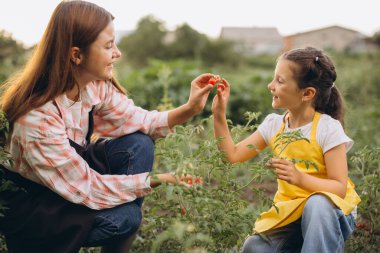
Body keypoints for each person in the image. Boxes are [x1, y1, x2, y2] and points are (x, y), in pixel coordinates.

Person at [0, 1, 216, 252]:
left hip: (68, 178)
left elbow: (141, 122)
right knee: (126, 219)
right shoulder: (37, 120)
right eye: (108, 45)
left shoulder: (92, 85)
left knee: (138, 144)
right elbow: (87, 187)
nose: (118, 53)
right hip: (37, 205)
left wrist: (190, 108)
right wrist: (158, 179)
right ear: (76, 55)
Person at [211, 47, 361, 252]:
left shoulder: (328, 128)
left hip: (331, 212)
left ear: (307, 93)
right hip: (291, 214)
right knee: (254, 247)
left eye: (280, 81)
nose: (270, 86)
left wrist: (300, 179)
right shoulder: (274, 125)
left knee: (316, 204)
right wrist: (218, 113)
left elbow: (339, 188)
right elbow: (232, 155)